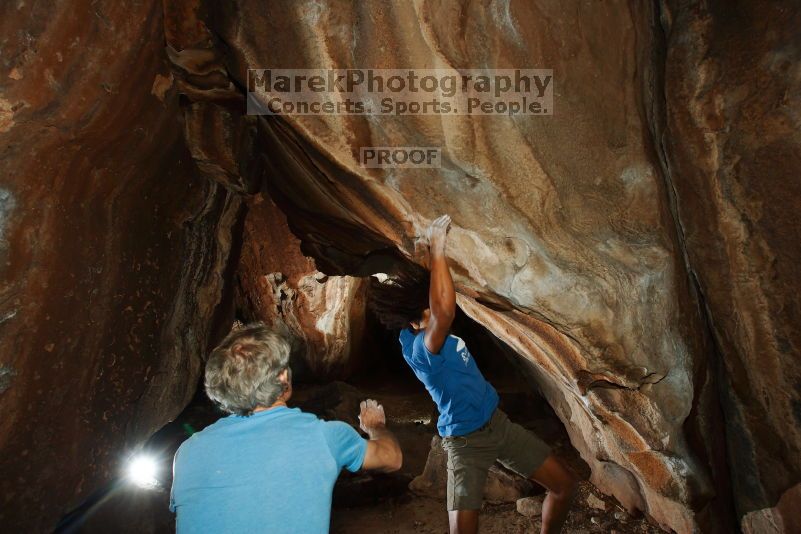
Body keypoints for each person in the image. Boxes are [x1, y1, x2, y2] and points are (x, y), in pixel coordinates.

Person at [369, 215, 578, 534]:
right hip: (464, 443)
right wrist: (438, 249)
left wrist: (425, 257)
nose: (435, 305)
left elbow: (433, 298)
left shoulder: (416, 326)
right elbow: (444, 310)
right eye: (428, 309)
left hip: (499, 425)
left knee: (563, 485)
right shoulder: (421, 350)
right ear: (414, 322)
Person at [169, 323, 402, 533]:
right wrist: (376, 427)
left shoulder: (187, 452)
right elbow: (392, 458)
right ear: (282, 377)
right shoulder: (323, 436)